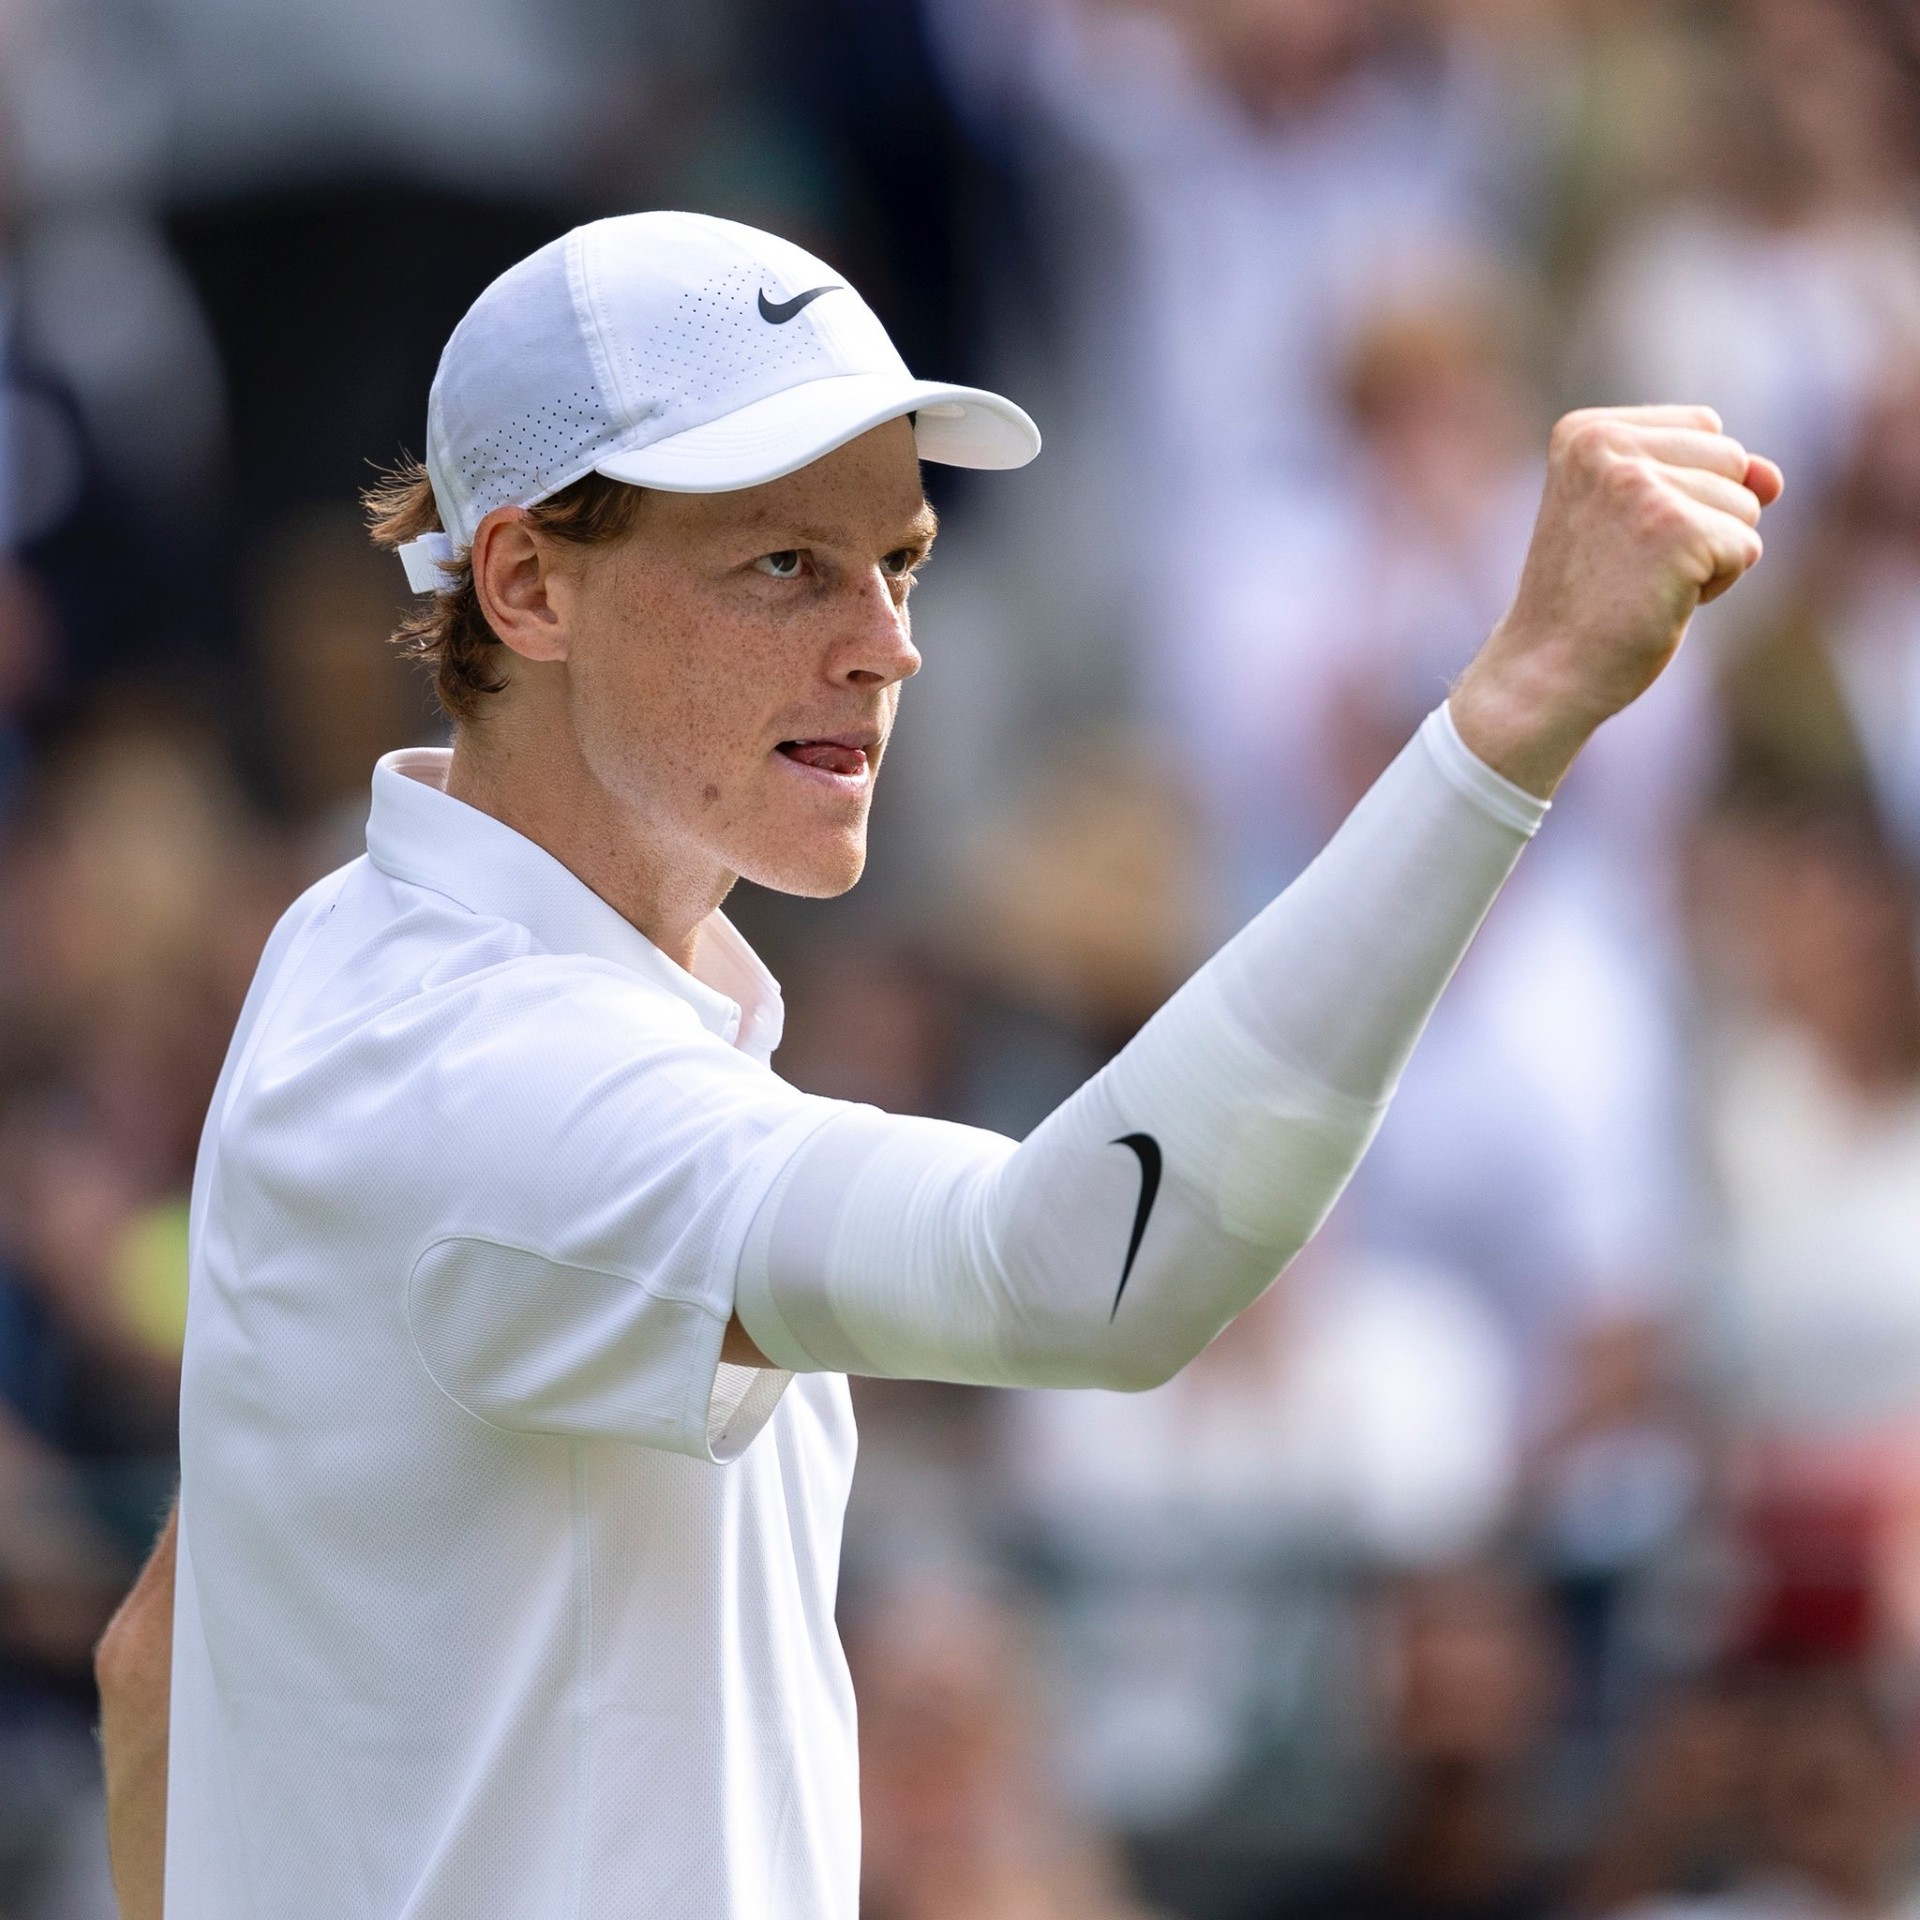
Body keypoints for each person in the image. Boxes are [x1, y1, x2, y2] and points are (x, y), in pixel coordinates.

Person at [90, 209, 1780, 1920]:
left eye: (898, 561)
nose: (886, 643)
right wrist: (1517, 709)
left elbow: (161, 1666)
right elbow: (1084, 1275)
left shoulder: (352, 947)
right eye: (782, 565)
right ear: (527, 585)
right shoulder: (491, 1074)